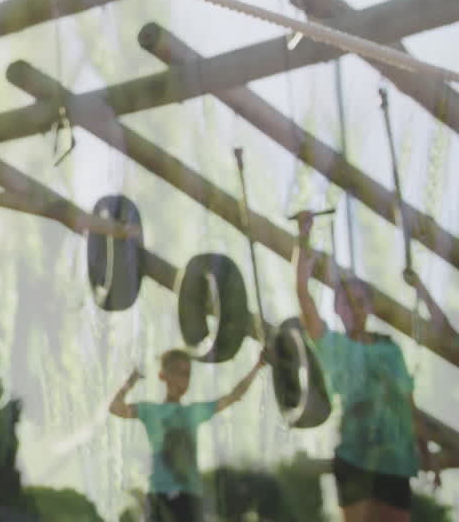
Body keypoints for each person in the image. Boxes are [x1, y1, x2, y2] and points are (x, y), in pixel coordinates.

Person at [293, 211, 435, 521]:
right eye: (347, 302)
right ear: (336, 309)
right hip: (354, 457)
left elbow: (409, 404)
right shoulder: (334, 347)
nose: (355, 309)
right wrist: (303, 240)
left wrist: (425, 453)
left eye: (360, 301)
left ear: (370, 307)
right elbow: (304, 297)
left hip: (396, 460)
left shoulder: (390, 350)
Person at [109, 349, 266, 522]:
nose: (183, 379)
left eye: (187, 374)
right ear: (163, 375)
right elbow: (116, 408)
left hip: (189, 497)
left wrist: (257, 367)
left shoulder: (193, 413)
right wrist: (132, 379)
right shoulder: (151, 411)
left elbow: (234, 396)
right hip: (159, 496)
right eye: (178, 372)